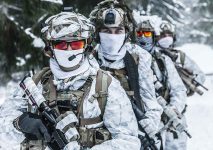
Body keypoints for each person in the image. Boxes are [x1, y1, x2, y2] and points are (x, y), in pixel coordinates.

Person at [0, 11, 141, 150]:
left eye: (76, 44)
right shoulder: (35, 83)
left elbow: (129, 141)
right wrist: (18, 123)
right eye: (61, 44)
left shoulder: (105, 85)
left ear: (86, 45)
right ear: (50, 47)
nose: (68, 50)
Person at [89, 0, 163, 148]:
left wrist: (148, 125)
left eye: (118, 31)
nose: (112, 36)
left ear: (127, 33)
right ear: (97, 33)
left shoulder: (138, 59)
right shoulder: (88, 59)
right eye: (106, 31)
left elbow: (150, 103)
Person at [135, 19, 188, 150]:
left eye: (147, 34)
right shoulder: (126, 59)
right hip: (136, 122)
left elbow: (179, 89)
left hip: (164, 119)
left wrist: (174, 109)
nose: (143, 37)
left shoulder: (163, 60)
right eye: (140, 34)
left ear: (153, 36)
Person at [156, 21, 206, 96]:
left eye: (169, 34)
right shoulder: (150, 55)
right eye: (162, 35)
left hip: (178, 102)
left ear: (173, 37)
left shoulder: (180, 56)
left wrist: (189, 81)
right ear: (156, 37)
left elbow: (201, 76)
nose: (166, 37)